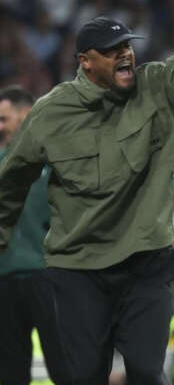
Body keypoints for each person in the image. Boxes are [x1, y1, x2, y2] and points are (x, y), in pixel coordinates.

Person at [0, 0, 174, 384]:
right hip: (78, 269)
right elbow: (10, 185)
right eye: (112, 50)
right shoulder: (50, 114)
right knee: (80, 378)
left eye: (127, 46)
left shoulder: (160, 89)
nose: (125, 54)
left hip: (143, 263)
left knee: (146, 371)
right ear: (85, 61)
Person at [0, 86, 52, 384]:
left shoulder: (54, 160)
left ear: (27, 115)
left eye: (4, 119)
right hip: (5, 279)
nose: (0, 127)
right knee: (10, 372)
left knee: (67, 364)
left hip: (48, 274)